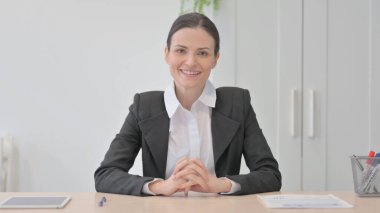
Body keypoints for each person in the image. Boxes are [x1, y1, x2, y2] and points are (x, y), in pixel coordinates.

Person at [94, 12, 281, 196]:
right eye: (181, 50)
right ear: (167, 54)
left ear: (216, 58)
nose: (191, 62)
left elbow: (270, 175)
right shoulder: (144, 106)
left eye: (202, 53)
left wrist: (220, 185)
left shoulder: (237, 103)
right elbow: (106, 175)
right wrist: (160, 186)